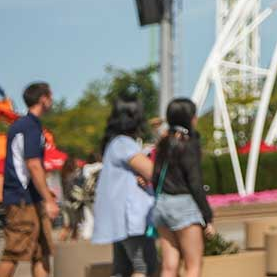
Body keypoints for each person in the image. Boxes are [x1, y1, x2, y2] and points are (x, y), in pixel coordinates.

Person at [90, 97, 156, 277]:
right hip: (130, 219)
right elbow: (153, 172)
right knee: (144, 267)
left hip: (120, 220)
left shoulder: (115, 143)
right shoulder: (124, 144)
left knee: (122, 270)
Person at [0, 83, 58, 277]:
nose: (52, 100)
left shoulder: (27, 125)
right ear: (43, 99)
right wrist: (49, 200)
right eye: (50, 96)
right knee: (14, 252)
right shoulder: (29, 126)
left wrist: (44, 195)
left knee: (41, 253)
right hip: (22, 199)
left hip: (30, 198)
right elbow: (33, 164)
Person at [151, 98, 214, 277]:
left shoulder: (163, 143)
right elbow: (194, 182)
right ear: (189, 118)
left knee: (169, 267)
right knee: (193, 266)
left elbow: (155, 176)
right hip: (183, 204)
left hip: (162, 204)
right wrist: (207, 215)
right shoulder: (189, 144)